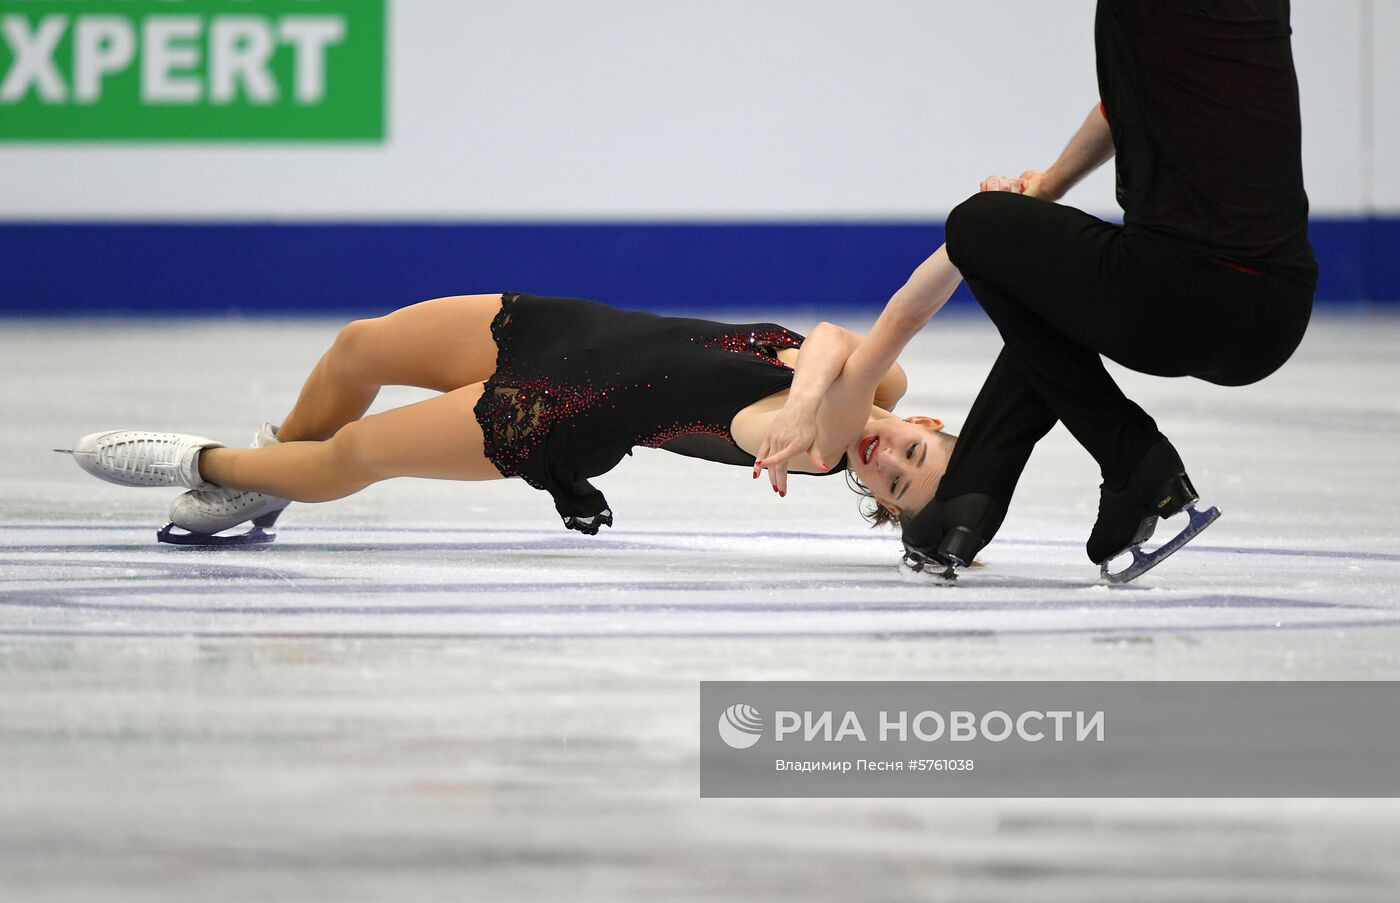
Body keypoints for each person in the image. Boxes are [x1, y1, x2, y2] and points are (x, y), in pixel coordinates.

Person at [760, 0, 1317, 581]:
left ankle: (1114, 462)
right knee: (1028, 273)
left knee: (976, 227)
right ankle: (980, 496)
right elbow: (1131, 105)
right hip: (1277, 315)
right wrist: (1048, 185)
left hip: (1177, 300)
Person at [61, 289, 963, 544]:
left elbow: (882, 322)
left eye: (895, 488)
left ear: (876, 501)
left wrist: (810, 403)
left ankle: (207, 464)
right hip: (562, 326)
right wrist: (813, 385)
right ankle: (273, 470)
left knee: (358, 452)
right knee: (359, 346)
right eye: (916, 454)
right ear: (922, 421)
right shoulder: (865, 391)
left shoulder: (822, 440)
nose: (888, 460)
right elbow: (846, 335)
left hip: (554, 410)